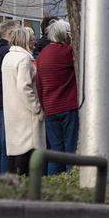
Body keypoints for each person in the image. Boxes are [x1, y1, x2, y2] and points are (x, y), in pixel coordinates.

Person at [35, 19, 80, 172]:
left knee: (55, 152)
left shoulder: (41, 56)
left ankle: (54, 185)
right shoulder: (68, 52)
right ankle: (71, 182)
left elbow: (39, 85)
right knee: (70, 150)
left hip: (50, 108)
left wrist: (44, 106)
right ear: (65, 35)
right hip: (68, 106)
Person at [0, 25, 43, 174]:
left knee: (15, 152)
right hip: (26, 112)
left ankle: (14, 189)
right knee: (27, 152)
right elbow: (25, 87)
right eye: (31, 40)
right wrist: (37, 107)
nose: (34, 42)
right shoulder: (24, 59)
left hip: (12, 110)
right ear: (24, 41)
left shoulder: (8, 57)